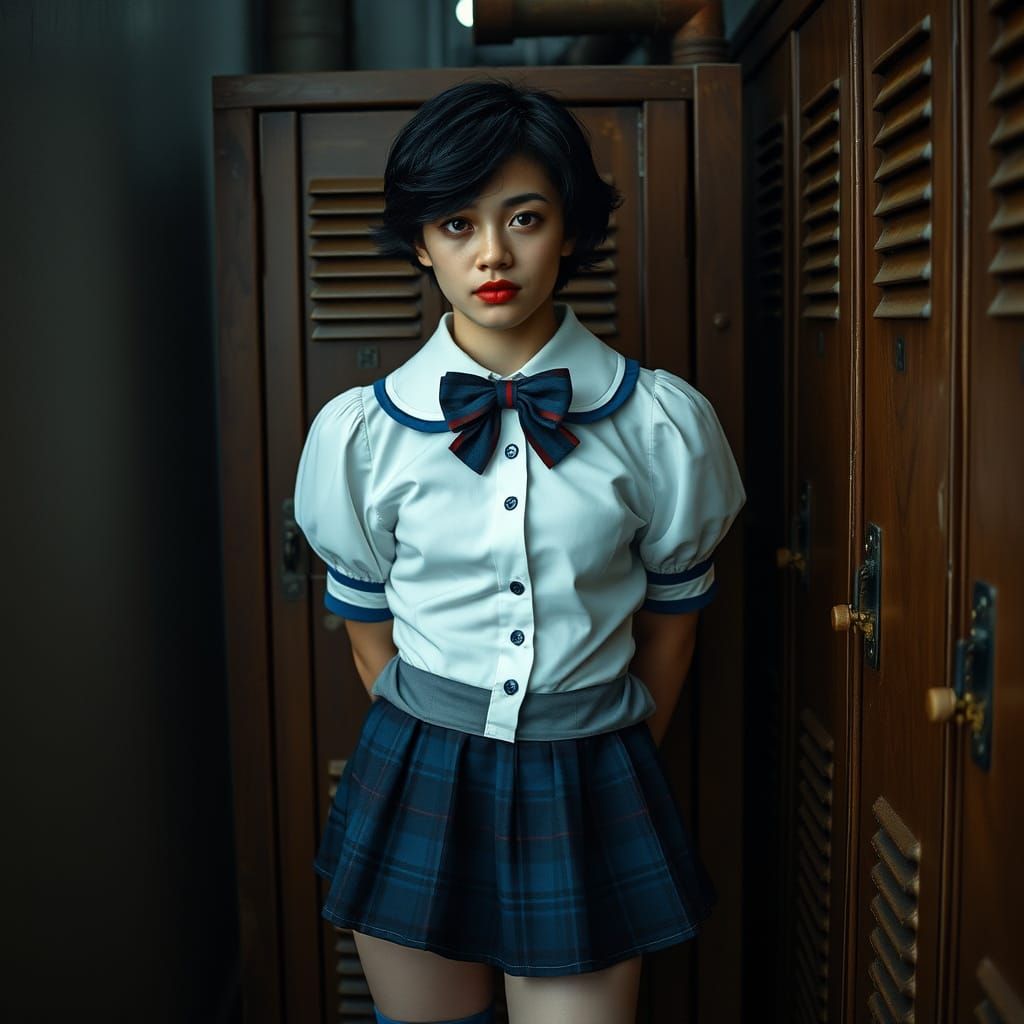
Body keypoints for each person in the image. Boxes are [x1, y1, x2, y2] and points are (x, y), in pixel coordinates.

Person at [293, 78, 745, 1024]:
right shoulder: (361, 437)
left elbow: (673, 632)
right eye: (456, 224)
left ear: (569, 231)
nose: (492, 253)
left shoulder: (661, 425)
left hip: (592, 770)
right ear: (421, 243)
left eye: (524, 218)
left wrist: (596, 756)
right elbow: (369, 639)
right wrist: (445, 745)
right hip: (417, 773)